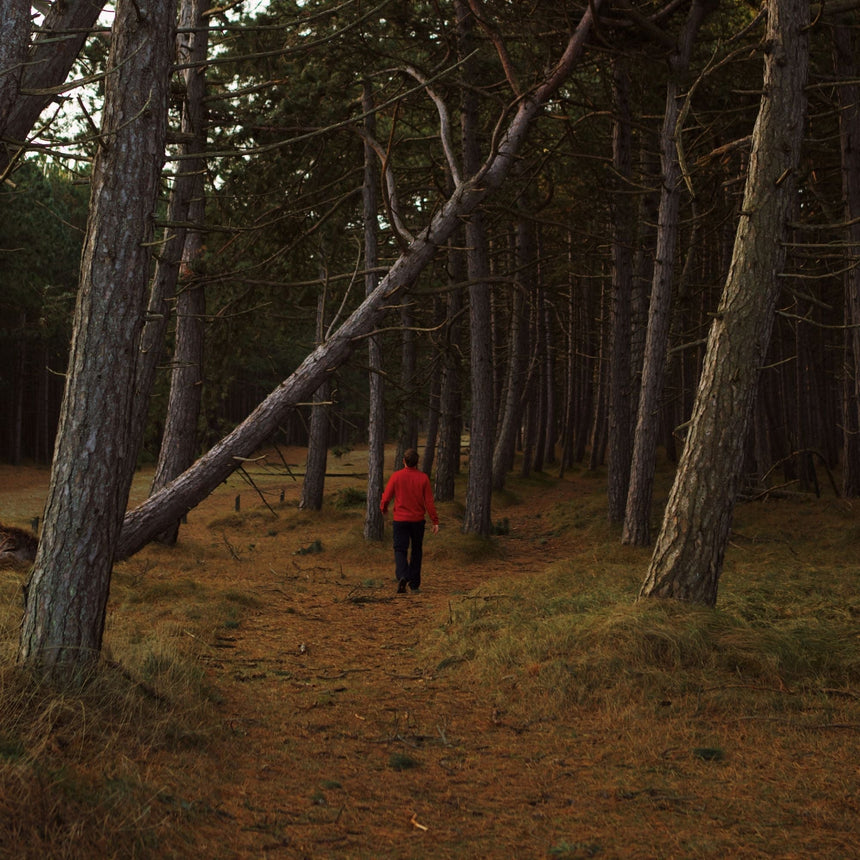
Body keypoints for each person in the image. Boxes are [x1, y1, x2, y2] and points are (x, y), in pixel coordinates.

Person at [380, 448, 439, 594]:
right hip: (417, 520)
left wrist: (384, 509)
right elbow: (429, 502)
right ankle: (414, 584)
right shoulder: (423, 478)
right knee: (416, 551)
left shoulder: (396, 477)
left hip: (400, 520)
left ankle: (403, 576)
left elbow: (386, 496)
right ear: (417, 463)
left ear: (403, 461)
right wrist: (435, 521)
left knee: (400, 549)